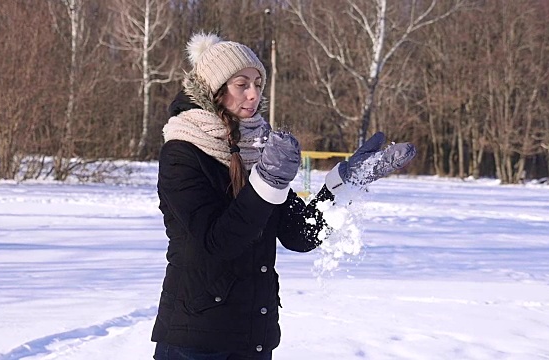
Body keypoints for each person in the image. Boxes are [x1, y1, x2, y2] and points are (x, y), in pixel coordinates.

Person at [152, 32, 416, 360]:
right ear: (214, 88)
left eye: (259, 84)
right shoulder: (182, 151)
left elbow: (299, 234)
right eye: (241, 84)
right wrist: (267, 181)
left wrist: (346, 184)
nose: (253, 94)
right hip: (196, 342)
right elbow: (217, 242)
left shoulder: (258, 150)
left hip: (253, 337)